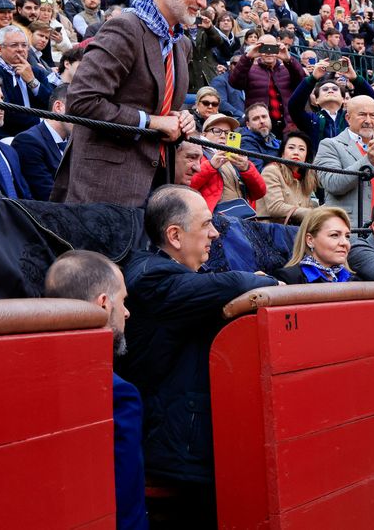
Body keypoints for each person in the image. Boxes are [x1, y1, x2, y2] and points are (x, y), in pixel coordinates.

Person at [119, 185, 277, 522]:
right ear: (175, 235)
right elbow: (232, 284)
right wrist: (262, 283)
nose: (215, 233)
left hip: (186, 447)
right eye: (206, 224)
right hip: (174, 455)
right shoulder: (152, 277)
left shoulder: (169, 273)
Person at [52, 0, 202, 206]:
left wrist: (183, 119)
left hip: (155, 190)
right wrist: (153, 122)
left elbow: (165, 112)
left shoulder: (181, 44)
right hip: (103, 190)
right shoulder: (125, 27)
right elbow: (82, 102)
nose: (203, 2)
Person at [44, 250, 148, 530]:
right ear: (103, 305)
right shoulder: (119, 395)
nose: (126, 312)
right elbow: (127, 502)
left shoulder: (32, 377)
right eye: (122, 300)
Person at [316, 95, 374, 228]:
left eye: (373, 115)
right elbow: (332, 184)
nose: (368, 121)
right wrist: (367, 161)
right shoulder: (330, 145)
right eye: (362, 115)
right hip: (348, 228)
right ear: (348, 118)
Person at [0, 25, 54, 137]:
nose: (20, 49)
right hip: (7, 136)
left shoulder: (35, 72)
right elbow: (6, 111)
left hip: (37, 133)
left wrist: (32, 81)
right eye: (14, 45)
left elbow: (50, 103)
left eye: (24, 45)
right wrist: (42, 121)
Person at [227, 34, 306, 138]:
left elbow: (303, 83)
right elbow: (234, 82)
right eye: (264, 48)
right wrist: (247, 57)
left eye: (272, 48)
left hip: (287, 127)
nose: (269, 52)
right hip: (260, 126)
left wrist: (289, 60)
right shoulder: (250, 69)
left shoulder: (287, 69)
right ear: (258, 48)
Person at [191, 113, 267, 211]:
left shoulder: (238, 158)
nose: (223, 136)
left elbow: (260, 192)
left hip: (241, 217)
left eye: (227, 133)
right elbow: (186, 188)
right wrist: (211, 166)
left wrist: (246, 168)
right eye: (217, 131)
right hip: (212, 218)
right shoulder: (197, 153)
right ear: (204, 135)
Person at [12, 84, 71, 200]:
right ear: (59, 107)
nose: (87, 115)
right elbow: (47, 195)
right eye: (80, 109)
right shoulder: (28, 142)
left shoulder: (75, 142)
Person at [272, 206, 353, 284]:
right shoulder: (287, 279)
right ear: (310, 240)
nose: (344, 243)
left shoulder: (354, 279)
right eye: (334, 235)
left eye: (347, 236)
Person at [256, 131, 318, 224]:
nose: (296, 152)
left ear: (306, 156)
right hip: (272, 231)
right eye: (291, 148)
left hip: (296, 232)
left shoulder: (307, 178)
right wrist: (311, 213)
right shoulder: (271, 171)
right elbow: (275, 207)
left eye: (301, 149)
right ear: (282, 153)